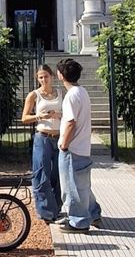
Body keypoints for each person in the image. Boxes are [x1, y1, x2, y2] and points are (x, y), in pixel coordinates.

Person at [57, 58, 101, 231]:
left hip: (72, 148)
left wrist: (64, 145)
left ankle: (79, 221)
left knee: (71, 187)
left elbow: (70, 122)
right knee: (83, 185)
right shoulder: (82, 92)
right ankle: (94, 213)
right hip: (83, 147)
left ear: (61, 75)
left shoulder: (70, 96)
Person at [21, 64, 64, 223]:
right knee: (41, 174)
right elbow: (24, 118)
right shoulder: (34, 95)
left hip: (58, 136)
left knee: (58, 174)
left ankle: (56, 208)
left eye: (46, 76)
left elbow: (68, 113)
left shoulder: (60, 93)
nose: (44, 80)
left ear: (52, 76)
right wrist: (39, 116)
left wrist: (59, 115)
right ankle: (46, 212)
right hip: (42, 137)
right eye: (40, 77)